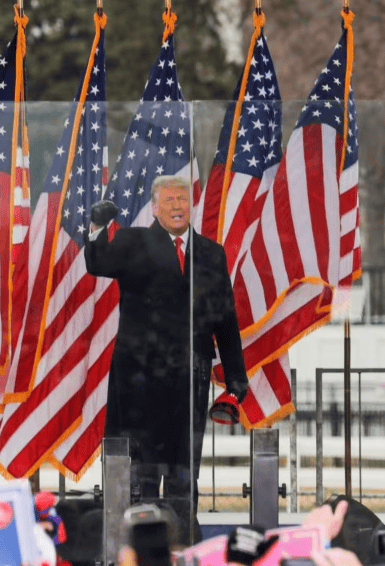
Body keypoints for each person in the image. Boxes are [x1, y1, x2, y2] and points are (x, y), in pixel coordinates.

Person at [85, 175, 249, 544]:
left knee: (183, 470)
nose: (177, 206)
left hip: (190, 377)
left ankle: (183, 545)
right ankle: (135, 547)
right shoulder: (132, 241)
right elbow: (97, 264)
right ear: (155, 207)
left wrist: (236, 379)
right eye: (169, 200)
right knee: (138, 470)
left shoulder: (211, 252)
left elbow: (225, 318)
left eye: (182, 199)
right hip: (138, 379)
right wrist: (97, 226)